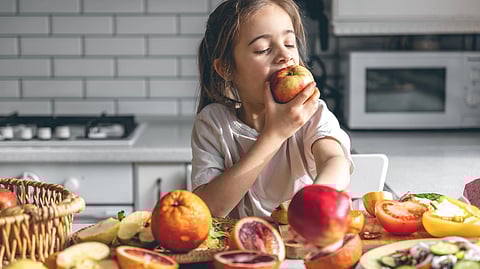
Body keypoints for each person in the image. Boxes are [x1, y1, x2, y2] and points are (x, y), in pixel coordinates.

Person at [191, 0, 352, 219]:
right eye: (263, 49)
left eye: (289, 43)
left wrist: (315, 202)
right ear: (226, 68)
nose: (285, 56)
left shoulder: (312, 114)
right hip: (239, 248)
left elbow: (335, 161)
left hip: (301, 243)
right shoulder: (213, 124)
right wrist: (275, 134)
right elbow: (209, 210)